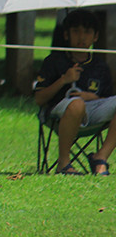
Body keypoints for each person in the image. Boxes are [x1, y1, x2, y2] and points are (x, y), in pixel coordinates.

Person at [33, 9, 115, 175]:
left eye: (87, 32)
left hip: (93, 113)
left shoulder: (100, 66)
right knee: (77, 104)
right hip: (59, 113)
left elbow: (107, 99)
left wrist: (93, 97)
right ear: (66, 35)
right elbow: (39, 99)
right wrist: (63, 80)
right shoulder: (53, 61)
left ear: (95, 37)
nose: (81, 37)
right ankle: (63, 163)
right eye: (76, 31)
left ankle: (101, 157)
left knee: (84, 103)